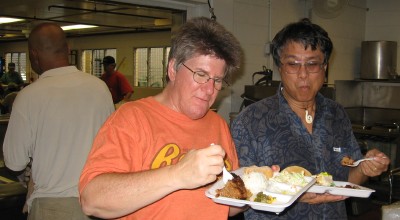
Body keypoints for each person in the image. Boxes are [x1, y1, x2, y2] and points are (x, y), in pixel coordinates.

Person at [79, 17, 243, 220]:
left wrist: (256, 187)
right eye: (200, 74)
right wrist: (177, 175)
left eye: (217, 80)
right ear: (173, 69)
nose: (210, 90)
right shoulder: (131, 118)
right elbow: (92, 200)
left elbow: (227, 207)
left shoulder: (218, 124)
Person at [230, 18, 391, 220]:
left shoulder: (337, 114)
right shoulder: (251, 121)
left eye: (312, 64)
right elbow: (238, 194)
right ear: (280, 67)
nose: (303, 74)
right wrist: (293, 195)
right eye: (293, 64)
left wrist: (366, 167)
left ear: (325, 67)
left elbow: (348, 179)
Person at [2, 22, 115, 220]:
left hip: (53, 206)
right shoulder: (100, 89)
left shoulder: (28, 96)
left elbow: (14, 162)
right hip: (97, 203)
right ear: (68, 49)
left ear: (33, 55)